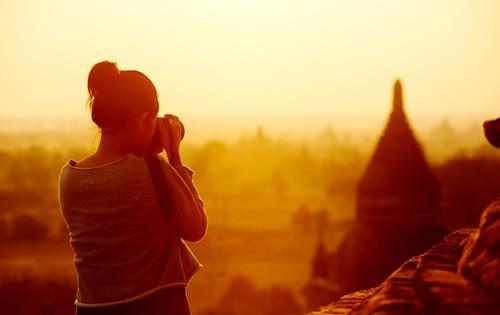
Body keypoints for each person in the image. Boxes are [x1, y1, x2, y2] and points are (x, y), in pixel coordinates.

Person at [57, 61, 207, 315]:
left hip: (91, 308)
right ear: (142, 120)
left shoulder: (69, 178)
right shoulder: (151, 169)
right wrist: (175, 159)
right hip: (157, 306)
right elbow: (196, 227)